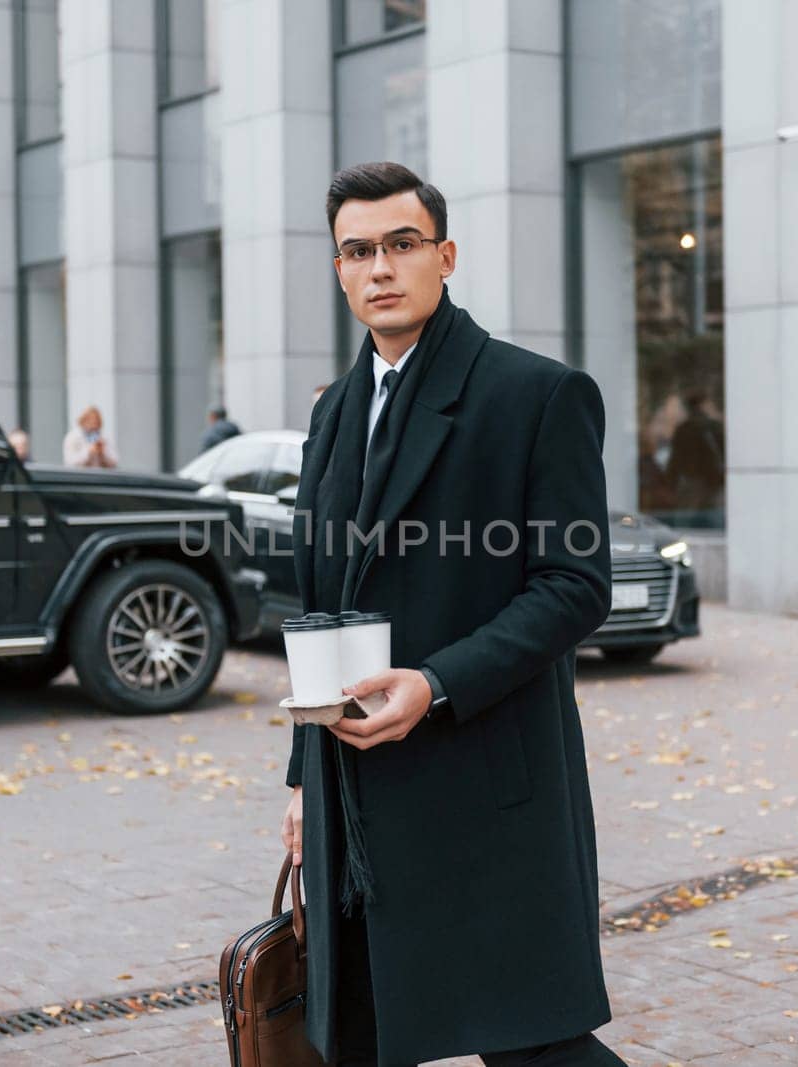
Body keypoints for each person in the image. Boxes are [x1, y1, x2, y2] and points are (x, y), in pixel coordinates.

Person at [280, 162, 624, 1066]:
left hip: (482, 779)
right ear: (339, 270)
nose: (380, 267)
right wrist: (297, 780)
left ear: (446, 255)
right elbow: (317, 598)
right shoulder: (331, 414)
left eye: (402, 244)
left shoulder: (537, 395)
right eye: (358, 251)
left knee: (535, 1046)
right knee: (355, 1034)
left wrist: (434, 684)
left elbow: (576, 585)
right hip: (351, 790)